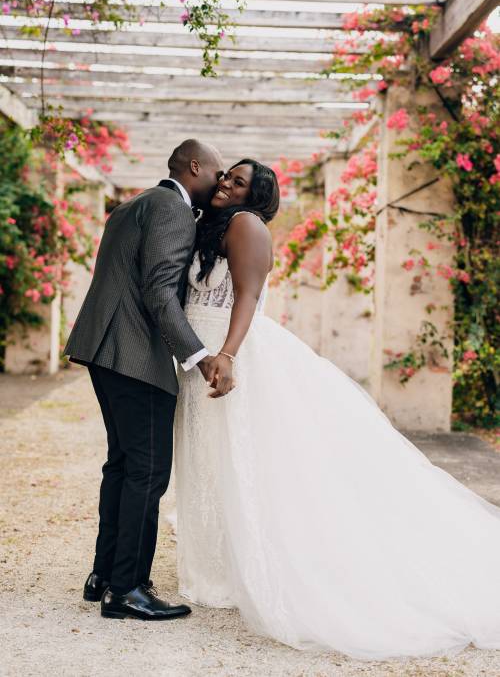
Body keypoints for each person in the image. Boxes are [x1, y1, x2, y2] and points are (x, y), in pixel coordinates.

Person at [174, 158, 500, 659]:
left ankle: (263, 566)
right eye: (226, 176)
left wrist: (228, 354)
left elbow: (248, 295)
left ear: (255, 197)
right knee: (209, 464)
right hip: (202, 360)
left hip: (232, 355)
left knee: (245, 463)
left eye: (238, 182)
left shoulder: (247, 226)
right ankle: (219, 568)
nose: (225, 184)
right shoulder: (211, 224)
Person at [64, 139, 234, 621]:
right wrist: (201, 358)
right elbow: (160, 292)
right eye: (218, 174)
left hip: (105, 348)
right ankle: (128, 590)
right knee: (148, 470)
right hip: (135, 355)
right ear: (194, 167)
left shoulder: (132, 205)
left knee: (122, 464)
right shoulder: (173, 210)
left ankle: (105, 575)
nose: (221, 183)